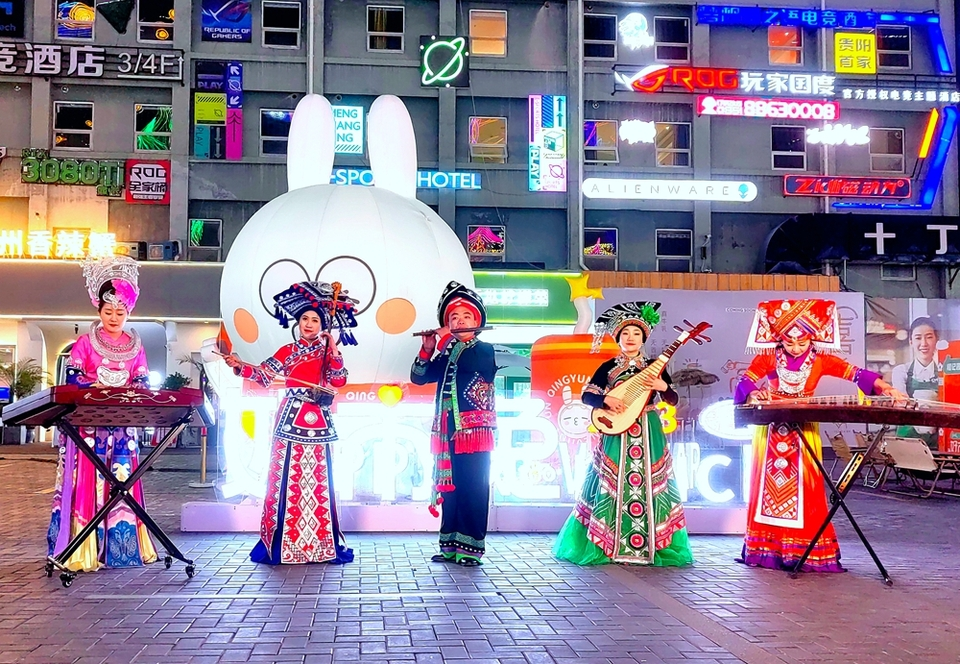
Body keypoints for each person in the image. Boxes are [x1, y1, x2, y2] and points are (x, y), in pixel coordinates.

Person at [734, 299, 905, 572]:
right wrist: (755, 393)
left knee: (807, 490)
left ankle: (804, 551)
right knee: (767, 489)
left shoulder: (821, 360)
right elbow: (746, 382)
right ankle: (766, 550)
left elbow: (857, 375)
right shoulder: (768, 356)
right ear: (780, 339)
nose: (796, 348)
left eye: (802, 343)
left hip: (803, 430)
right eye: (789, 343)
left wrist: (885, 388)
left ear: (812, 338)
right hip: (771, 433)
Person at [223, 281, 358, 565]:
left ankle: (321, 542)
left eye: (315, 320)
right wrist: (238, 364)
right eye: (305, 319)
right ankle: (285, 541)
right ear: (297, 323)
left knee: (321, 481)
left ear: (323, 325)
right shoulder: (287, 350)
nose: (309, 324)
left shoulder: (327, 351)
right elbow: (262, 375)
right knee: (287, 480)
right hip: (290, 417)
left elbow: (339, 381)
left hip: (319, 418)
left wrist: (333, 351)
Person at [553, 302, 694, 567]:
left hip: (648, 429)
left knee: (651, 481)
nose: (630, 339)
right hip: (616, 432)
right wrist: (606, 401)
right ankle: (605, 544)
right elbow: (587, 395)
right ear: (618, 338)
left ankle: (652, 545)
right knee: (612, 481)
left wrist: (663, 385)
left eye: (636, 334)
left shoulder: (655, 365)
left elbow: (672, 398)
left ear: (643, 339)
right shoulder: (608, 366)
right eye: (625, 334)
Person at [47, 256, 158, 572]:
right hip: (90, 429)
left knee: (121, 480)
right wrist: (90, 383)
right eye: (108, 311)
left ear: (129, 313)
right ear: (98, 310)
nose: (114, 317)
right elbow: (71, 379)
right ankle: (84, 548)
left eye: (120, 312)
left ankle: (121, 549)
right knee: (90, 480)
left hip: (123, 428)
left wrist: (136, 386)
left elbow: (142, 379)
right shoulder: (84, 343)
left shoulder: (136, 346)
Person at [411, 281, 497, 567]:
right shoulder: (447, 355)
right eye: (453, 319)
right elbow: (419, 377)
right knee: (449, 486)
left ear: (477, 321)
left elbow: (477, 366)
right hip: (448, 429)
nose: (459, 322)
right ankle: (449, 546)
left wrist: (448, 340)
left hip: (473, 432)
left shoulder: (483, 349)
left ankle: (471, 548)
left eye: (465, 318)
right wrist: (427, 350)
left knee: (473, 486)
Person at [892, 317, 941, 449]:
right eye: (918, 338)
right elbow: (902, 403)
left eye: (929, 337)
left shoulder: (944, 373)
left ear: (936, 340)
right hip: (908, 442)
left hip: (939, 444)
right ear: (911, 342)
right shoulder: (901, 371)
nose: (924, 343)